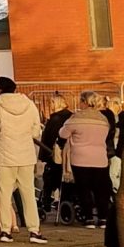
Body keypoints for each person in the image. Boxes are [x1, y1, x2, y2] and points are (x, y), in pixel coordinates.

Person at [0, 79, 47, 242]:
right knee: (28, 193)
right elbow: (35, 130)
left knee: (4, 194)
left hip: (3, 155)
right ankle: (34, 230)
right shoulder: (29, 105)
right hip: (25, 154)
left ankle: (5, 230)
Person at [59, 91, 114, 230]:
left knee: (84, 189)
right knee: (101, 190)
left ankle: (88, 218)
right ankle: (103, 218)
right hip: (100, 158)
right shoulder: (102, 119)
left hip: (80, 158)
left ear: (84, 102)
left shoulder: (76, 118)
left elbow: (63, 133)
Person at [40, 93, 73, 221]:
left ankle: (46, 201)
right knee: (64, 181)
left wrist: (44, 155)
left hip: (55, 154)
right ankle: (66, 200)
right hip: (68, 154)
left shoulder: (55, 119)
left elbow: (48, 138)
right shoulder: (70, 116)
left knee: (50, 178)